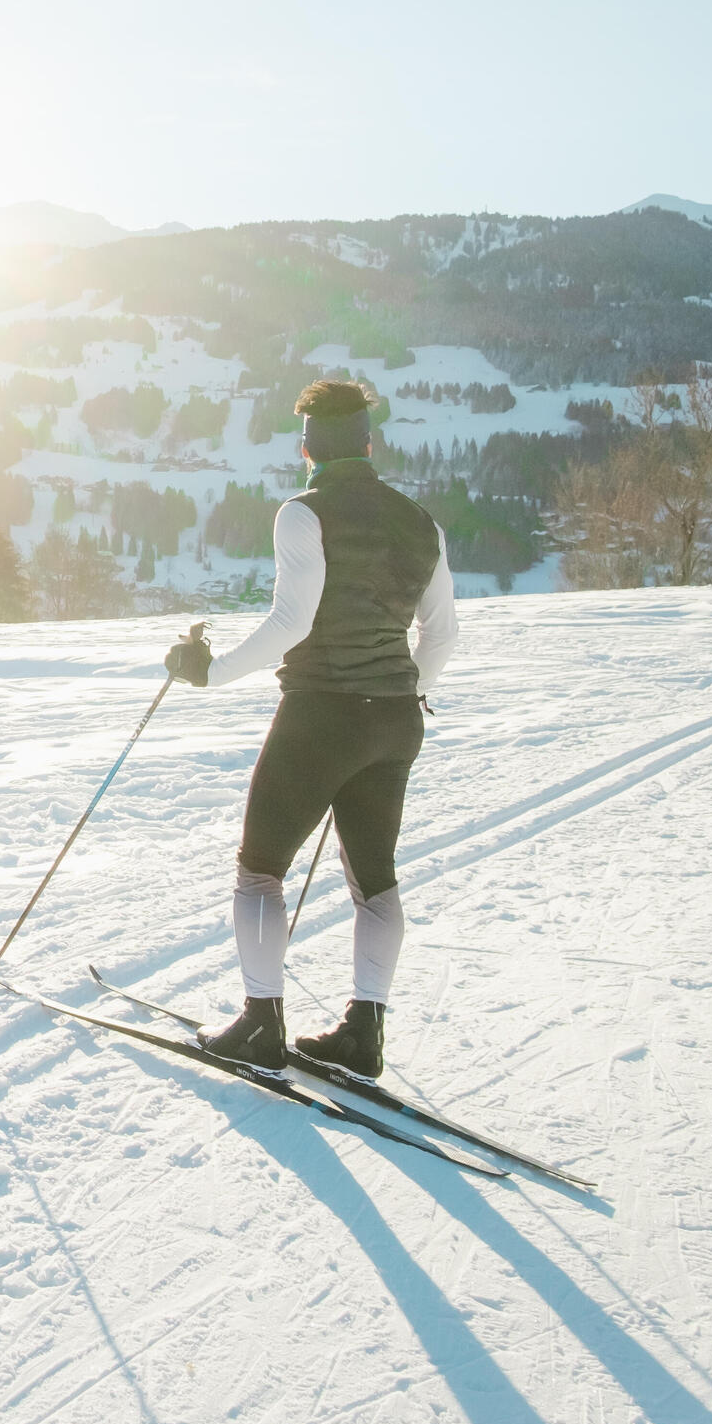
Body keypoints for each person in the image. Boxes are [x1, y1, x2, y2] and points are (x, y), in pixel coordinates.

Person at [160, 378, 457, 1080]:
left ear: (306, 451)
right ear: (369, 444)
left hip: (321, 715)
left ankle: (261, 1025)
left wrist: (211, 671)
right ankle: (364, 1032)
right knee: (376, 881)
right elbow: (441, 636)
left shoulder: (303, 514)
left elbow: (293, 622)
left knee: (259, 869)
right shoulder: (422, 523)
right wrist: (403, 693)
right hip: (394, 722)